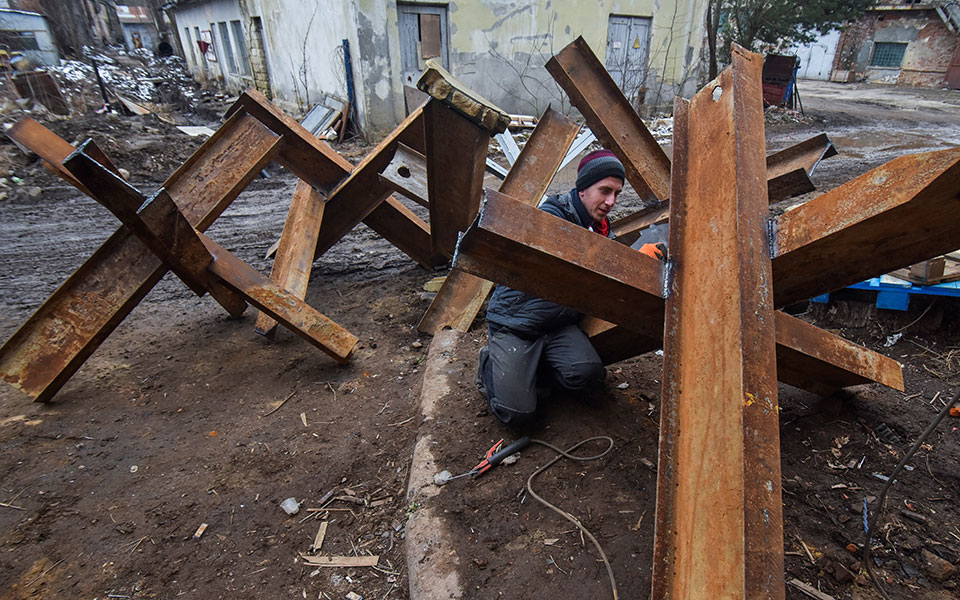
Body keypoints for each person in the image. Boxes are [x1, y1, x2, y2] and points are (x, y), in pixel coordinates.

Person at [476, 149, 626, 426]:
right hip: (517, 323)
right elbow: (582, 263)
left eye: (616, 193)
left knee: (589, 376)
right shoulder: (551, 218)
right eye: (605, 191)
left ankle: (531, 369)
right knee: (519, 415)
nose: (611, 201)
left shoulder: (600, 230)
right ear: (582, 189)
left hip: (557, 324)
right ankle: (490, 364)